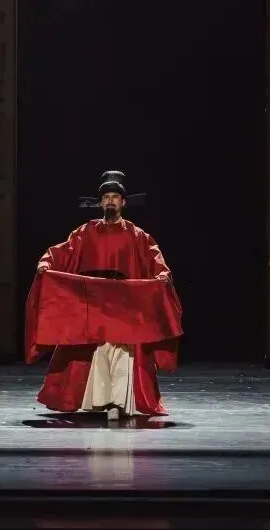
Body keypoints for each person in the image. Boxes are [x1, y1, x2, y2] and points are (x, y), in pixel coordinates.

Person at [24, 171, 183, 419]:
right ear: (100, 202)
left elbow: (155, 258)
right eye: (106, 197)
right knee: (97, 349)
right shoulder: (86, 231)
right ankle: (99, 400)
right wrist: (46, 263)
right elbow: (63, 251)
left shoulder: (137, 235)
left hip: (125, 305)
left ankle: (119, 401)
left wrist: (162, 274)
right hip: (95, 305)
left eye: (115, 197)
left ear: (123, 202)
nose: (110, 201)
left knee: (123, 350)